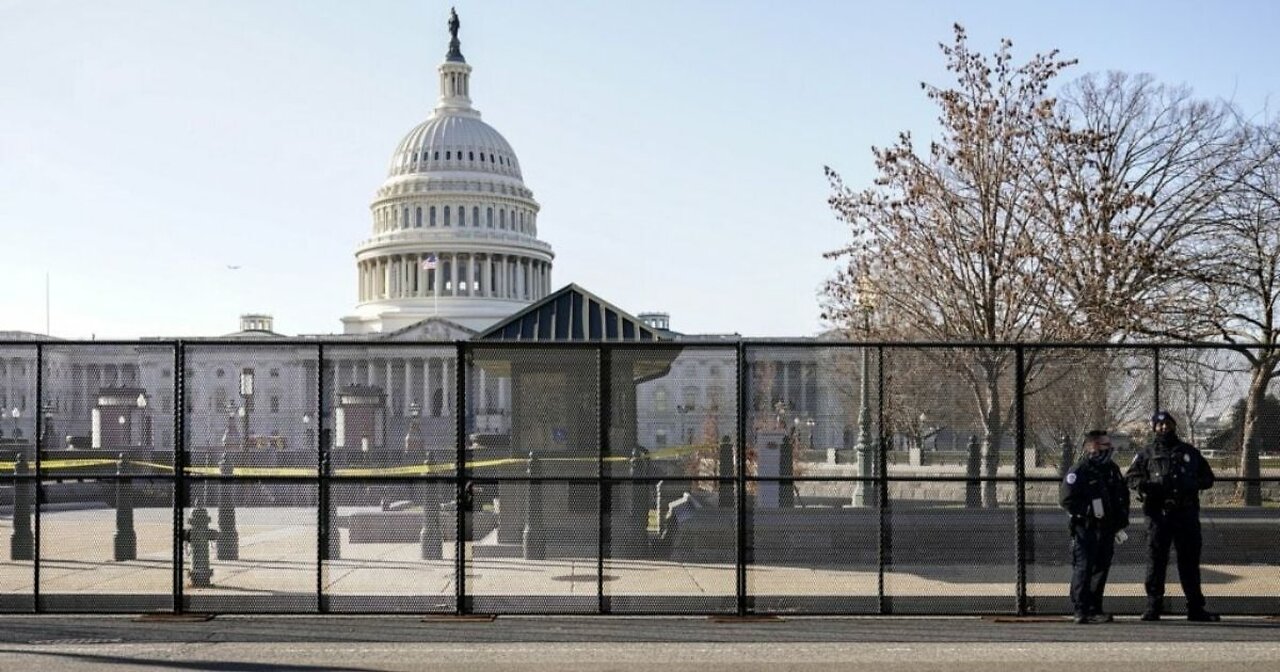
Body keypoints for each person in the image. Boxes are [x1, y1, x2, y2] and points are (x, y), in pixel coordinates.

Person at [1125, 410, 1220, 622]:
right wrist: (1145, 486)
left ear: (1174, 426)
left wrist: (1191, 484)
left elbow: (1208, 478)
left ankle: (1195, 607)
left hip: (1185, 514)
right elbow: (1131, 477)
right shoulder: (1146, 453)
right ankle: (1153, 606)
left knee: (1189, 561)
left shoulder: (1189, 452)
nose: (1163, 428)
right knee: (1156, 560)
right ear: (1153, 428)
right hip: (1158, 515)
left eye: (1167, 424)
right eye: (1159, 425)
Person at [1060, 430, 1129, 624]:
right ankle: (1080, 609)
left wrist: (1120, 520)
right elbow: (1066, 499)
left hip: (1107, 528)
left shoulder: (1112, 469)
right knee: (1084, 567)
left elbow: (1122, 495)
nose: (1111, 449)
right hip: (1086, 528)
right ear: (1093, 447)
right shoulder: (1080, 470)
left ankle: (1095, 608)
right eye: (1106, 445)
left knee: (1101, 568)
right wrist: (1089, 510)